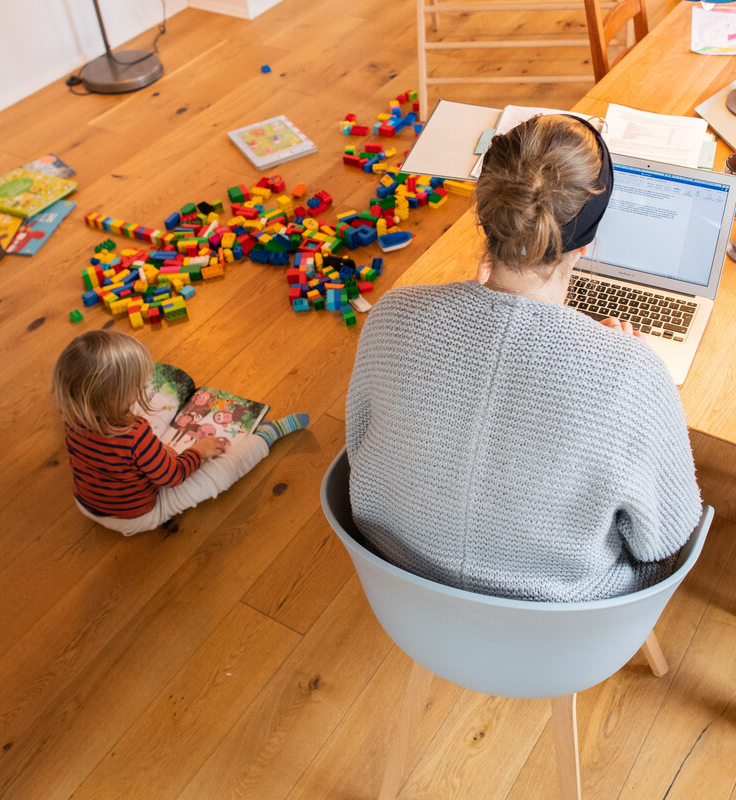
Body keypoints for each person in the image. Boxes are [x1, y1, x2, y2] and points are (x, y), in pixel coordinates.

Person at [346, 114, 701, 602]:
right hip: (563, 626)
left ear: (485, 213)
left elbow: (360, 444)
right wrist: (624, 368)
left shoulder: (391, 316)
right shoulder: (632, 376)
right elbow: (664, 539)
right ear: (588, 240)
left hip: (399, 587)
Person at [53, 330, 307, 535]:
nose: (141, 388)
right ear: (112, 397)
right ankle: (266, 436)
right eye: (135, 387)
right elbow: (172, 476)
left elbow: (110, 457)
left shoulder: (72, 418)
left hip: (86, 504)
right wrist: (197, 452)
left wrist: (156, 452)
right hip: (137, 516)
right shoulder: (135, 434)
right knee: (220, 473)